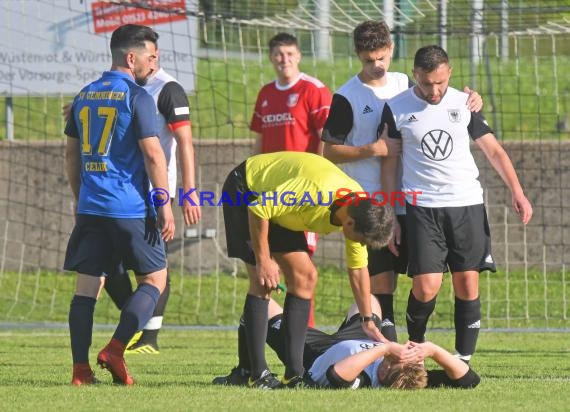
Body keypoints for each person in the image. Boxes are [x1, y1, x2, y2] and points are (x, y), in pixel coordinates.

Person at [322, 20, 483, 342]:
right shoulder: (346, 96)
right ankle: (389, 352)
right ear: (357, 55)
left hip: (414, 200)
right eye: (369, 60)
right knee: (383, 284)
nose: (376, 65)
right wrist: (372, 149)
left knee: (425, 281)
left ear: (391, 50)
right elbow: (329, 152)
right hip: (371, 202)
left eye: (381, 57)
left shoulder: (404, 83)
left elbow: (436, 100)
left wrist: (470, 100)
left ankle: (414, 346)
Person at [380, 45, 533, 363]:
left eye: (440, 82)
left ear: (449, 73)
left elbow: (494, 151)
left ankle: (462, 362)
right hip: (421, 208)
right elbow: (390, 163)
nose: (434, 91)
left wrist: (518, 192)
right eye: (425, 83)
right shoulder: (395, 108)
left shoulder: (465, 103)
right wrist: (392, 213)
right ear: (415, 75)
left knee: (467, 281)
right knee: (426, 287)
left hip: (466, 206)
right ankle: (415, 351)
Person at [63, 44, 202, 355]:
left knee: (87, 286)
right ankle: (117, 346)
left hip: (92, 204)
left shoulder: (86, 93)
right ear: (131, 57)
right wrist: (165, 204)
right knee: (154, 279)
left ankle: (82, 367)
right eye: (149, 54)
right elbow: (153, 156)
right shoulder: (136, 95)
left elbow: (71, 154)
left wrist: (78, 199)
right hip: (135, 203)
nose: (154, 60)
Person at [222, 151, 394, 389]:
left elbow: (358, 269)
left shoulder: (360, 209)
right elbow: (259, 209)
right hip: (248, 191)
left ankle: (295, 374)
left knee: (306, 277)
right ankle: (256, 374)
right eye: (362, 241)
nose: (360, 246)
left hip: (282, 210)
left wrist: (367, 319)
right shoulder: (316, 192)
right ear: (350, 223)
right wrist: (264, 260)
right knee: (263, 281)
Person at [213, 295, 480, 389]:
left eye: (391, 362)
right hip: (356, 338)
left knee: (258, 305)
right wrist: (431, 350)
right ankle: (359, 320)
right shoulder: (415, 373)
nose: (399, 356)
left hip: (316, 352)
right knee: (368, 302)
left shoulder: (366, 379)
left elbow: (336, 375)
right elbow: (469, 380)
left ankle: (245, 371)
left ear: (386, 371)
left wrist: (386, 347)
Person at [250, 32, 332, 327]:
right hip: (268, 193)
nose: (283, 59)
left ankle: (304, 332)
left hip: (300, 192)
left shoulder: (314, 90)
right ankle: (271, 332)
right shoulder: (266, 93)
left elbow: (327, 139)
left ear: (298, 56)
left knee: (302, 267)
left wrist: (317, 180)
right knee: (266, 267)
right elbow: (259, 142)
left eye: (289, 54)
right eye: (278, 54)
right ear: (271, 57)